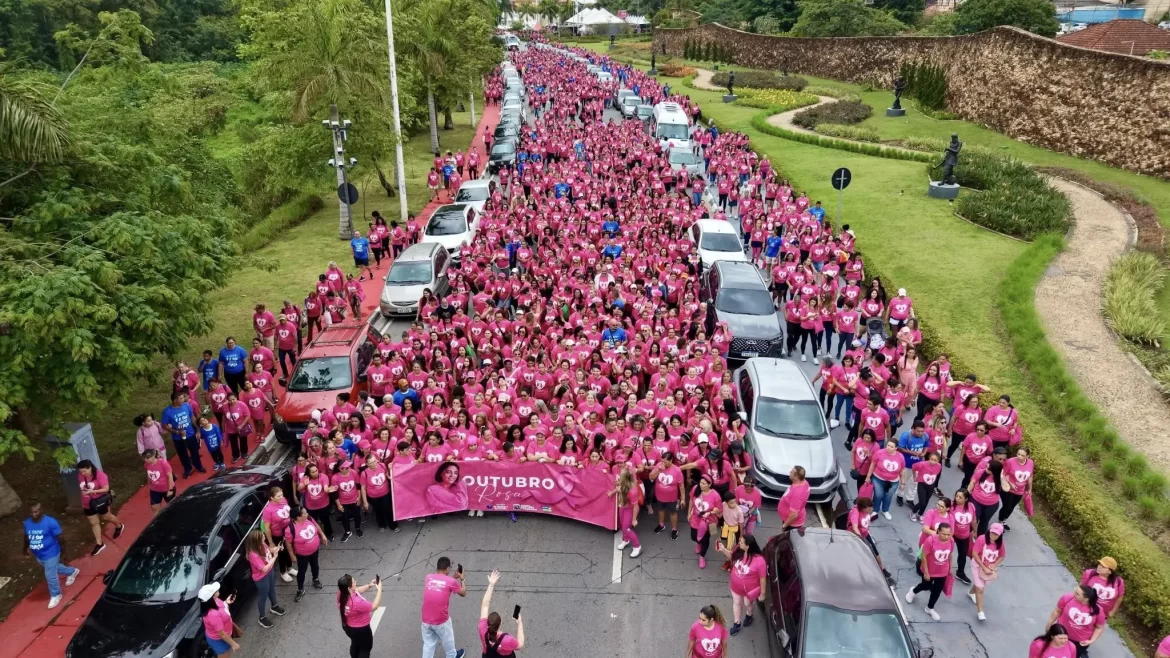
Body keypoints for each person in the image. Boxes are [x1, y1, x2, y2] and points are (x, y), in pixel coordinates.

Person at [22, 501, 80, 609]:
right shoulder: (27, 523)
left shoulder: (50, 522)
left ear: (41, 510)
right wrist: (25, 549)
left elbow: (61, 538)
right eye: (32, 512)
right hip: (39, 554)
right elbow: (26, 537)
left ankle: (56, 594)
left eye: (36, 511)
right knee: (54, 568)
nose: (34, 514)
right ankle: (72, 572)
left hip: (51, 552)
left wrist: (64, 553)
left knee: (50, 574)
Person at [714, 534, 765, 636]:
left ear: (748, 546)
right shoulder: (739, 550)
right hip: (735, 587)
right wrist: (723, 549)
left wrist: (762, 594)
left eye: (741, 542)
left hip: (749, 590)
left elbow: (763, 578)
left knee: (748, 604)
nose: (739, 543)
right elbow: (731, 556)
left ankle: (749, 615)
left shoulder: (760, 561)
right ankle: (737, 623)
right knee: (737, 603)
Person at [906, 522, 954, 620]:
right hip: (930, 570)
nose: (946, 536)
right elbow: (924, 556)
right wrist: (926, 572)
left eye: (948, 534)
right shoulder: (930, 540)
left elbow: (950, 554)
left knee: (937, 590)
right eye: (944, 534)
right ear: (938, 531)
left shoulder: (951, 541)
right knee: (926, 585)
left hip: (943, 571)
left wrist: (950, 567)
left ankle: (929, 608)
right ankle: (913, 591)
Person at [420, 556, 467, 658]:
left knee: (428, 645)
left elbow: (441, 584)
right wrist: (462, 578)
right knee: (449, 648)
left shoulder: (428, 577)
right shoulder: (451, 582)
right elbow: (463, 593)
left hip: (425, 620)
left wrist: (452, 578)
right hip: (441, 621)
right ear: (447, 568)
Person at [77, 459, 124, 556]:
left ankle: (119, 525)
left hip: (100, 502)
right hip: (87, 503)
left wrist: (93, 492)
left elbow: (106, 488)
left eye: (85, 471)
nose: (83, 473)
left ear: (90, 468)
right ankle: (99, 543)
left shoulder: (100, 475)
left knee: (106, 517)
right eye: (81, 471)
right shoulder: (80, 475)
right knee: (93, 523)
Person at [1045, 585, 1105, 657]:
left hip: (1079, 643)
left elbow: (1099, 628)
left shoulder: (1098, 611)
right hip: (1059, 634)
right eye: (1075, 591)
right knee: (1053, 653)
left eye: (1077, 593)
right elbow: (1057, 611)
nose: (1074, 594)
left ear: (1085, 599)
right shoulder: (1067, 598)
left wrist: (1091, 641)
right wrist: (1049, 624)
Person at [284, 505, 327, 602]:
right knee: (302, 572)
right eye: (304, 513)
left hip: (315, 550)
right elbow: (288, 543)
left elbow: (316, 526)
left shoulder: (309, 518)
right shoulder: (290, 529)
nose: (307, 514)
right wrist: (292, 555)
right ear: (298, 517)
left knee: (315, 566)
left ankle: (315, 579)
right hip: (302, 555)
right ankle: (300, 589)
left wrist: (322, 535)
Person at [245, 529, 285, 628]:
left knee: (271, 589)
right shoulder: (253, 555)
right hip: (261, 577)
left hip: (270, 572)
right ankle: (262, 617)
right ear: (257, 541)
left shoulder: (262, 545)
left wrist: (276, 548)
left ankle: (274, 606)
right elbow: (263, 569)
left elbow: (269, 551)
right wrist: (275, 557)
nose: (264, 537)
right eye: (262, 536)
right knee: (263, 596)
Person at [479, 570, 525, 657]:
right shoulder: (507, 640)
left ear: (487, 623)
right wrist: (520, 623)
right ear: (500, 623)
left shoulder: (482, 629)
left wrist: (491, 584)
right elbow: (520, 644)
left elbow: (485, 604)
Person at [160, 390, 205, 478]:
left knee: (194, 451)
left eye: (183, 397)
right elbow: (164, 425)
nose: (183, 399)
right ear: (174, 400)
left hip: (190, 434)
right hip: (178, 438)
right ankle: (187, 469)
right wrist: (177, 432)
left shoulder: (187, 405)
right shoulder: (167, 412)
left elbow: (192, 417)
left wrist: (197, 429)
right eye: (181, 398)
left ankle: (198, 466)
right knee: (182, 454)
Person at [338, 573, 382, 658]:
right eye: (354, 582)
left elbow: (357, 590)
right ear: (349, 588)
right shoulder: (356, 603)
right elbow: (374, 606)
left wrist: (369, 585)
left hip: (348, 627)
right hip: (361, 630)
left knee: (355, 643)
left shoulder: (341, 593)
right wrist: (379, 589)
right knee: (365, 648)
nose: (356, 582)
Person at [967, 523, 1005, 621]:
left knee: (980, 583)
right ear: (989, 530)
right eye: (992, 532)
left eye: (996, 534)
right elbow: (974, 553)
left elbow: (1002, 555)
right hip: (978, 565)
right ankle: (980, 612)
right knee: (980, 589)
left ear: (1000, 535)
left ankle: (971, 593)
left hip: (989, 568)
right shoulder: (981, 539)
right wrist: (983, 567)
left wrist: (994, 565)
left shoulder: (1000, 543)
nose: (993, 535)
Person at [261, 486, 297, 582]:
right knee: (282, 554)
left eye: (282, 495)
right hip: (278, 535)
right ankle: (283, 571)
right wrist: (271, 542)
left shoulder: (284, 500)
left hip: (288, 530)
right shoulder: (268, 510)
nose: (281, 497)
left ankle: (289, 568)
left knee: (289, 549)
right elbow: (267, 528)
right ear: (272, 497)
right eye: (278, 496)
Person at [866, 439, 905, 520]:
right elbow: (873, 464)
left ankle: (885, 510)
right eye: (888, 445)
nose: (889, 448)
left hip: (893, 481)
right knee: (878, 495)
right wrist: (868, 476)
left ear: (896, 448)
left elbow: (902, 470)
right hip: (878, 479)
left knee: (888, 497)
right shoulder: (879, 453)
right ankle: (875, 510)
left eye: (891, 446)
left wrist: (902, 483)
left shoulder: (900, 457)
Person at [609, 468, 643, 558]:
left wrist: (634, 519)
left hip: (630, 510)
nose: (619, 477)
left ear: (625, 478)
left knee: (626, 529)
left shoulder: (632, 491)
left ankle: (637, 546)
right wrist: (611, 493)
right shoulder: (622, 483)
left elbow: (635, 506)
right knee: (622, 525)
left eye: (621, 476)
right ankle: (626, 540)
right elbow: (618, 489)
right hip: (623, 507)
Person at [198, 582, 239, 657]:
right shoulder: (213, 615)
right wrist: (234, 644)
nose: (217, 590)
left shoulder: (215, 600)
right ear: (212, 597)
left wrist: (226, 602)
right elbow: (222, 634)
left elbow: (221, 607)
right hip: (219, 641)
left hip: (224, 636)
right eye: (215, 591)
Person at [1081, 557, 1124, 621]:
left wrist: (1112, 611)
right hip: (1085, 610)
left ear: (1110, 571)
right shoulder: (1089, 573)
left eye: (1103, 567)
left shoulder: (1118, 581)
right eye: (1099, 564)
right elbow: (1081, 589)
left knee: (1097, 628)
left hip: (1102, 614)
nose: (1099, 567)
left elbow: (1120, 597)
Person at [143, 449, 176, 515]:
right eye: (144, 458)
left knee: (172, 507)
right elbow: (149, 474)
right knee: (154, 508)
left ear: (153, 456)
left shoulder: (163, 463)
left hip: (166, 489)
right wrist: (148, 484)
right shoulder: (146, 464)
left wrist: (170, 489)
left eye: (148, 458)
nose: (146, 460)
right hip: (155, 489)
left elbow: (170, 476)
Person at [775, 465, 809, 530]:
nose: (789, 472)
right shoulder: (804, 482)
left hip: (792, 525)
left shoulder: (797, 494)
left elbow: (794, 515)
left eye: (792, 472)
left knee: (787, 539)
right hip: (791, 519)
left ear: (796, 477)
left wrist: (784, 526)